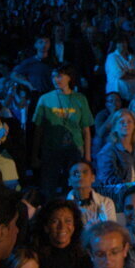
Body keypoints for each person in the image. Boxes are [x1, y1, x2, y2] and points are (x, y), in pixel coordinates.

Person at [33, 65, 94, 197]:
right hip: (51, 149)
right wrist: (35, 154)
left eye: (59, 76)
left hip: (74, 150)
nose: (56, 79)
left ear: (69, 77)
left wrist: (87, 157)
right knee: (49, 188)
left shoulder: (80, 99)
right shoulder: (44, 99)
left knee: (73, 187)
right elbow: (38, 129)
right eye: (53, 76)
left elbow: (86, 130)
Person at [96, 109, 135, 190]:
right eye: (121, 122)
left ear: (134, 125)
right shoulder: (107, 151)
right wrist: (128, 186)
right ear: (115, 127)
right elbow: (107, 178)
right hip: (117, 193)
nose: (126, 125)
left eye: (129, 122)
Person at [66, 161, 116, 227]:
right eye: (75, 173)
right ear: (69, 181)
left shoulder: (106, 203)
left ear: (93, 178)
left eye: (84, 172)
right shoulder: (64, 206)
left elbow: (111, 230)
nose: (80, 175)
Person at [105, 36, 135, 103]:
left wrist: (129, 71)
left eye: (124, 42)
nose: (122, 45)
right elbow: (120, 75)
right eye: (119, 43)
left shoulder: (132, 56)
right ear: (116, 45)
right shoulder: (112, 57)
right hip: (117, 95)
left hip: (131, 94)